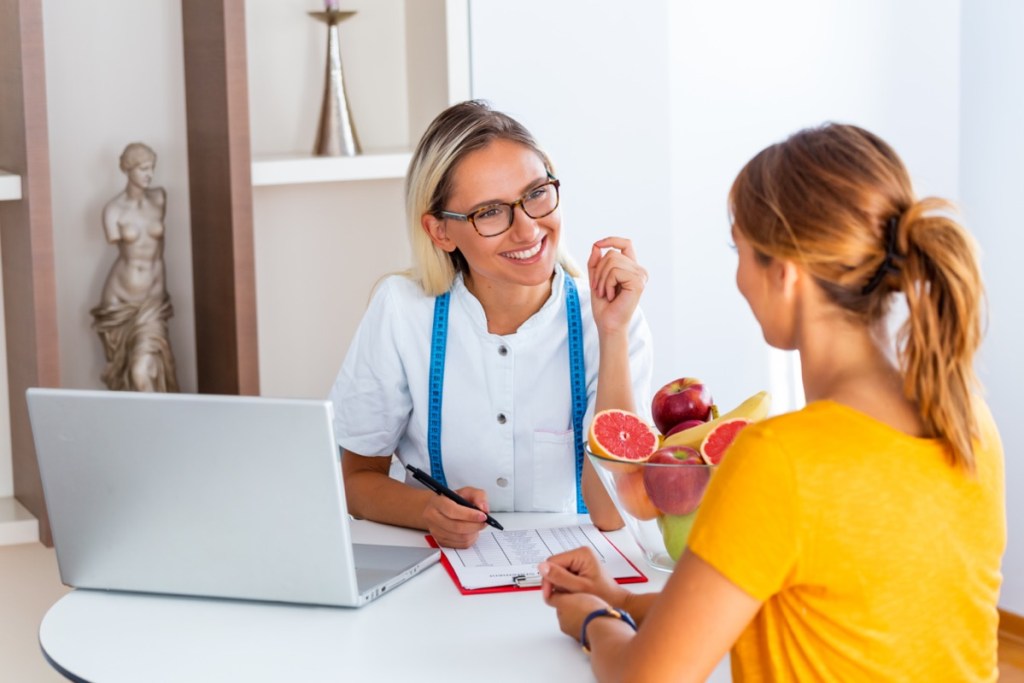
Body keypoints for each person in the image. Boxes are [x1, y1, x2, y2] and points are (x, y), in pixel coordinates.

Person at [540, 123, 1005, 681]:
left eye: (741, 249)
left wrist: (594, 620)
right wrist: (620, 598)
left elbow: (648, 677)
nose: (738, 273)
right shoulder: (965, 420)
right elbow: (811, 610)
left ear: (784, 274)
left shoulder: (780, 460)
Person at [328, 101, 654, 549]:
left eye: (537, 193)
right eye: (491, 212)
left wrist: (613, 334)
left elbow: (612, 512)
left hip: (578, 574)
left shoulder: (609, 317)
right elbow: (357, 480)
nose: (527, 229)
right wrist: (427, 512)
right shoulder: (402, 312)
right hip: (438, 579)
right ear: (441, 232)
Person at [91, 142, 179, 393]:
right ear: (127, 170)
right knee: (128, 376)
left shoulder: (159, 198)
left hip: (152, 303)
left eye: (151, 168)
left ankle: (157, 428)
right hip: (119, 303)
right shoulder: (113, 211)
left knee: (142, 372)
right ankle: (143, 428)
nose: (149, 174)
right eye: (142, 168)